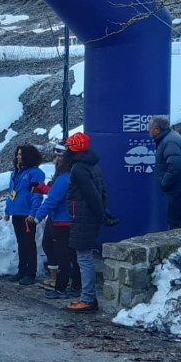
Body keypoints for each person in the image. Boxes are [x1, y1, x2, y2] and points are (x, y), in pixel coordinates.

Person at [63, 132, 109, 312]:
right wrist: (104, 211)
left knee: (84, 258)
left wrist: (100, 214)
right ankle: (88, 296)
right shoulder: (92, 165)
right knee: (85, 257)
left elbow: (91, 194)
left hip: (83, 217)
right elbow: (102, 191)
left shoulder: (78, 168)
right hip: (87, 216)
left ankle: (88, 298)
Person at [34, 148, 80, 299]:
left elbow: (53, 199)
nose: (56, 160)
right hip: (74, 220)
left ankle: (60, 287)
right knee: (74, 256)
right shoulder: (77, 175)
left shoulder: (63, 178)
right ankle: (76, 286)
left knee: (63, 257)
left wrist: (38, 216)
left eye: (59, 157)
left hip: (62, 221)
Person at [3, 144, 45, 285]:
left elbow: (37, 195)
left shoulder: (35, 173)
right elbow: (11, 193)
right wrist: (8, 210)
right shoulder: (16, 173)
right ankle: (21, 270)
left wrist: (33, 213)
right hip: (16, 213)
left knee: (29, 244)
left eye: (21, 154)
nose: (18, 157)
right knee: (21, 243)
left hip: (27, 214)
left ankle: (30, 273)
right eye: (18, 154)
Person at [148, 116, 181, 229]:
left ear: (157, 129)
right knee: (175, 220)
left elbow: (175, 167)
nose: (148, 130)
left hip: (178, 188)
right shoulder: (168, 138)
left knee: (176, 222)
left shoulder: (169, 142)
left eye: (150, 128)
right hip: (178, 187)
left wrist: (164, 182)